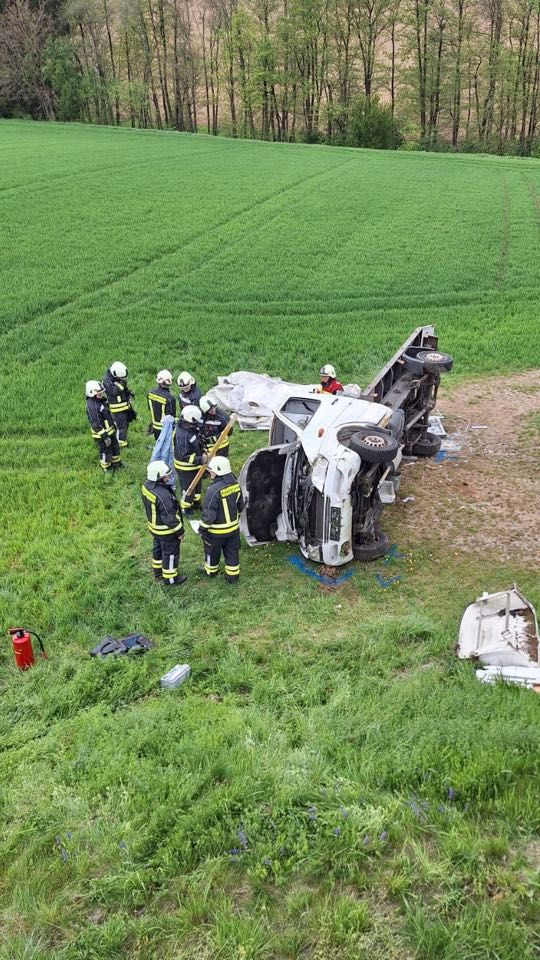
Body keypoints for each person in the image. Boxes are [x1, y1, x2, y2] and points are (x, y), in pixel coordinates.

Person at [198, 457, 244, 584]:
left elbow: (209, 516)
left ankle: (211, 571)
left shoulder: (212, 490)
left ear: (218, 471)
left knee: (212, 552)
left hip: (215, 533)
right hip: (233, 530)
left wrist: (202, 529)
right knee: (232, 553)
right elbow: (240, 506)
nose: (210, 473)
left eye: (211, 470)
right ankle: (232, 576)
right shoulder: (235, 484)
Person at [141, 460, 186, 587]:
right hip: (166, 531)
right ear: (158, 477)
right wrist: (180, 531)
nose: (167, 477)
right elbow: (169, 518)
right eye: (165, 476)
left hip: (155, 528)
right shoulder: (163, 496)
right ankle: (171, 578)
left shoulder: (146, 486)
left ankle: (158, 570)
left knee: (158, 549)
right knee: (171, 553)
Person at [173, 405, 206, 513]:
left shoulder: (188, 427)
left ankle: (196, 503)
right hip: (186, 468)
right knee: (188, 489)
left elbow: (196, 441)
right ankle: (186, 508)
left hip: (195, 464)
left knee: (197, 486)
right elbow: (183, 457)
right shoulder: (182, 435)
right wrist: (201, 460)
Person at [85, 380, 122, 472]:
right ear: (91, 392)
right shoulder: (92, 406)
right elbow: (96, 424)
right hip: (102, 435)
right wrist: (105, 437)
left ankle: (117, 464)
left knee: (115, 448)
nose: (101, 394)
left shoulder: (99, 401)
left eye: (101, 392)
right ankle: (107, 468)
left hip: (110, 431)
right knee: (106, 451)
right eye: (99, 393)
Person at [103, 361, 136, 448]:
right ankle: (121, 445)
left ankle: (122, 441)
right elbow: (114, 392)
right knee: (121, 427)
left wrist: (128, 391)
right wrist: (122, 385)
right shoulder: (107, 380)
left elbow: (123, 388)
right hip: (117, 409)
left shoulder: (117, 378)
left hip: (124, 407)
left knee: (125, 425)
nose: (121, 379)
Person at [199, 395, 232, 459]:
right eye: (210, 410)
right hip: (206, 447)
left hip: (221, 447)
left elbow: (229, 432)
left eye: (214, 407)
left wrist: (214, 439)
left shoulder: (223, 417)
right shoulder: (201, 416)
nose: (213, 410)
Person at [148, 369, 176, 440]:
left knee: (158, 444)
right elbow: (171, 417)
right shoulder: (170, 399)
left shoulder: (150, 393)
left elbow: (149, 408)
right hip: (165, 428)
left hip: (155, 426)